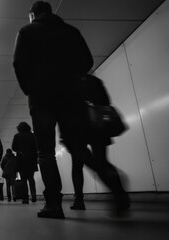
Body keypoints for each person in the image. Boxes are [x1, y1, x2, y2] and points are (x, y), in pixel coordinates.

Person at [13, 1, 129, 218]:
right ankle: (111, 179)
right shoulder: (71, 31)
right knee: (76, 146)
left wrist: (30, 89)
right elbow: (87, 61)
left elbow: (18, 63)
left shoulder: (27, 31)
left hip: (41, 100)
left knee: (45, 151)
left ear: (32, 14)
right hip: (70, 99)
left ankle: (53, 205)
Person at [68, 74, 129, 210]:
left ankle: (79, 200)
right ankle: (118, 189)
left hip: (78, 128)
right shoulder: (94, 80)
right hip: (99, 125)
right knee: (102, 160)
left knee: (77, 165)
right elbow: (106, 101)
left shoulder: (66, 81)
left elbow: (64, 108)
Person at [12, 122, 39, 204]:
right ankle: (34, 195)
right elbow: (36, 147)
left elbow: (14, 147)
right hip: (31, 159)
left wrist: (20, 151)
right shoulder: (32, 135)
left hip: (21, 160)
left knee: (23, 179)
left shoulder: (17, 136)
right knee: (31, 178)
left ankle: (25, 198)